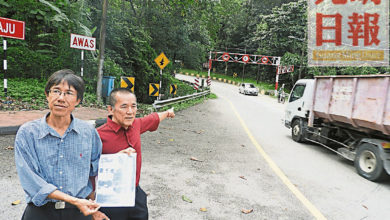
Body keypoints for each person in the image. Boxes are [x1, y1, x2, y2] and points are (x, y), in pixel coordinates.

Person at [14, 69, 102, 220]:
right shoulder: (28, 133)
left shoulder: (88, 132)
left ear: (78, 100)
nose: (61, 98)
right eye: (56, 91)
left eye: (69, 93)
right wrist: (74, 200)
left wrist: (120, 158)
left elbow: (97, 170)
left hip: (79, 212)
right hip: (41, 212)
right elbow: (32, 181)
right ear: (47, 95)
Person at [94, 88, 175, 220]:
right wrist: (116, 159)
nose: (130, 112)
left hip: (135, 193)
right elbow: (87, 168)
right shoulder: (97, 135)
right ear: (110, 109)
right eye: (124, 107)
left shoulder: (136, 125)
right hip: (111, 197)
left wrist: (168, 112)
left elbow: (153, 118)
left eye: (133, 106)